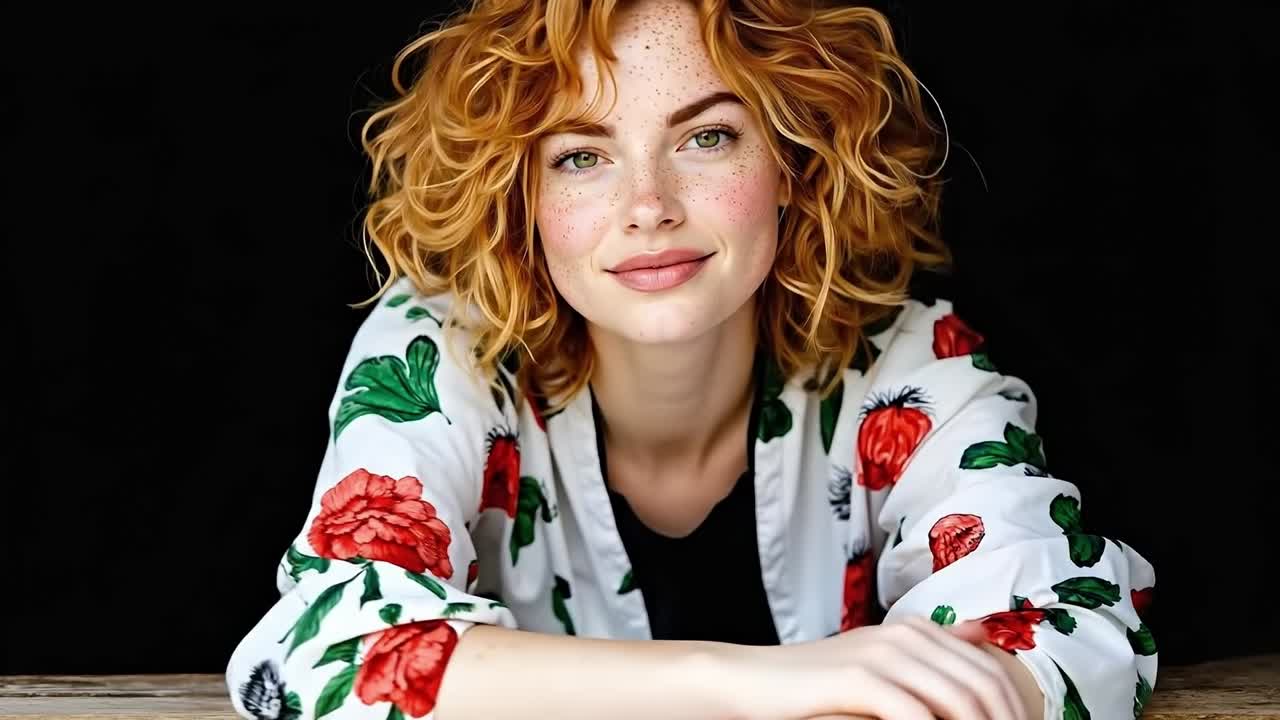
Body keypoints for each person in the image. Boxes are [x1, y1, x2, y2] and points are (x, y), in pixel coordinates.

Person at [225, 1, 1158, 718]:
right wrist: (758, 683)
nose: (649, 205)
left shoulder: (913, 367)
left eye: (706, 137)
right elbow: (315, 658)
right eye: (581, 158)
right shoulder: (443, 351)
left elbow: (1070, 622)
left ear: (794, 161)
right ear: (522, 198)